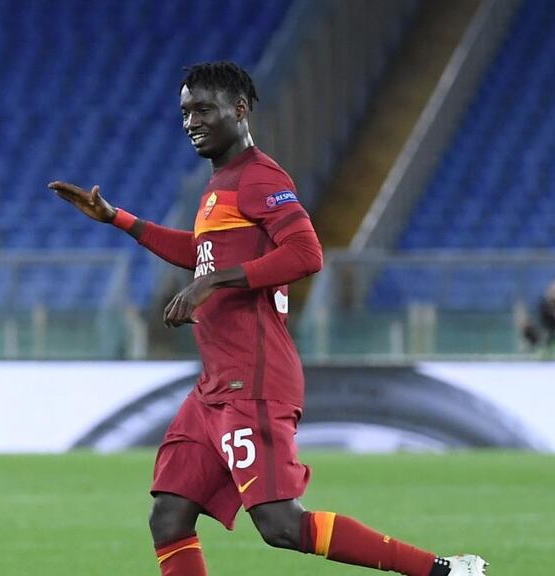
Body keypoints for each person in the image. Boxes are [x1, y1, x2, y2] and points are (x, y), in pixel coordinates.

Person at [50, 61, 486, 576]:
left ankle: (446, 571)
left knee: (282, 526)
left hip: (253, 378)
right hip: (215, 386)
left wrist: (213, 282)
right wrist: (120, 220)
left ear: (239, 110)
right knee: (169, 517)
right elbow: (204, 254)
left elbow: (306, 253)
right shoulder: (221, 183)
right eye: (186, 111)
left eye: (204, 109)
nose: (191, 121)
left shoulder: (259, 176)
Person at [520, 280, 555, 354]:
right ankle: (532, 347)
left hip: (551, 330)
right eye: (552, 290)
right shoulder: (543, 303)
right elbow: (544, 317)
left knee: (547, 335)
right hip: (545, 328)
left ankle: (543, 347)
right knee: (526, 325)